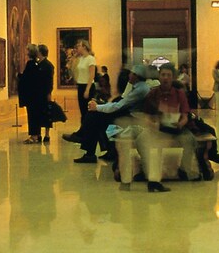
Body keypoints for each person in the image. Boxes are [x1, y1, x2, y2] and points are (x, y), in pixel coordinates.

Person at [64, 64, 151, 163]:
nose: (128, 75)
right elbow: (121, 100)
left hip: (132, 118)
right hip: (128, 113)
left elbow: (119, 105)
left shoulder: (140, 89)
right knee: (96, 115)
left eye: (131, 73)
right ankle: (95, 148)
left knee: (95, 115)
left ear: (136, 75)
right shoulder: (137, 86)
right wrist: (100, 106)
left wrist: (97, 107)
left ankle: (86, 145)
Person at [135, 63, 198, 192]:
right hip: (157, 129)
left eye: (168, 75)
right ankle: (146, 169)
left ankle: (183, 169)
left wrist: (181, 123)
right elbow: (146, 115)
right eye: (163, 75)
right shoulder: (153, 93)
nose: (165, 78)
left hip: (177, 128)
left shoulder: (179, 94)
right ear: (159, 76)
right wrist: (152, 124)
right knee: (140, 140)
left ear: (172, 78)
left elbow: (185, 115)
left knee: (190, 140)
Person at [18, 44, 45, 144]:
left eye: (27, 50)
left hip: (31, 95)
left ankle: (33, 136)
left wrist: (19, 75)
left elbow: (26, 78)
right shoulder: (37, 63)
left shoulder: (30, 63)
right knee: (36, 115)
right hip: (36, 94)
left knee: (32, 115)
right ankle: (37, 135)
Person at [73, 39, 97, 126]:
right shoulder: (80, 59)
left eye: (79, 46)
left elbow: (92, 75)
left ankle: (88, 131)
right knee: (82, 110)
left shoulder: (90, 59)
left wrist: (87, 90)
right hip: (81, 85)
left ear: (84, 47)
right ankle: (83, 130)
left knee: (88, 110)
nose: (77, 48)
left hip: (88, 86)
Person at [37, 44, 55, 143]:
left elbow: (49, 81)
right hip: (38, 92)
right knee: (39, 113)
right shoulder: (38, 64)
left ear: (40, 52)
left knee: (47, 113)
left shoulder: (48, 65)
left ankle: (47, 134)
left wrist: (49, 92)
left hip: (44, 92)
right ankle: (39, 134)